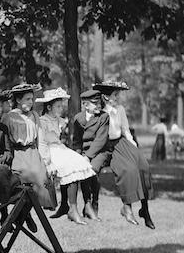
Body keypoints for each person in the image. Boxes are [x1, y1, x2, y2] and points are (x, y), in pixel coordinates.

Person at [93, 80, 155, 229]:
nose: (117, 98)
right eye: (115, 95)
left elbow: (125, 130)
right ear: (106, 97)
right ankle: (126, 206)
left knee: (143, 166)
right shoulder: (99, 113)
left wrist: (134, 147)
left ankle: (144, 209)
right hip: (107, 145)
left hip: (121, 142)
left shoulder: (119, 109)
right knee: (128, 170)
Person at [36, 88, 96, 225]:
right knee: (69, 167)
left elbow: (59, 139)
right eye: (58, 106)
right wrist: (47, 162)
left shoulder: (59, 120)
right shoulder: (42, 121)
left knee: (79, 163)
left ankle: (67, 205)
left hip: (59, 148)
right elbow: (42, 143)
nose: (61, 108)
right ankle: (72, 209)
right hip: (49, 151)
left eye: (62, 105)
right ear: (49, 107)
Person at [1, 83, 55, 210]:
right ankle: (22, 211)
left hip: (32, 151)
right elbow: (5, 139)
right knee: (25, 177)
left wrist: (46, 159)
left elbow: (40, 138)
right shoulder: (8, 117)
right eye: (27, 99)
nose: (31, 102)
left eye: (32, 99)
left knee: (41, 175)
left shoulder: (34, 115)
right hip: (17, 153)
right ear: (18, 100)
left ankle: (37, 205)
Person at [69, 90, 111, 220]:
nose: (98, 105)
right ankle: (87, 204)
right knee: (81, 170)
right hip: (82, 152)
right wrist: (78, 155)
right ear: (86, 105)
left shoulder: (104, 117)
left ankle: (94, 203)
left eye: (99, 103)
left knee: (92, 170)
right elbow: (76, 141)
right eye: (94, 103)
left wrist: (87, 157)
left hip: (99, 152)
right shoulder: (78, 118)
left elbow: (100, 140)